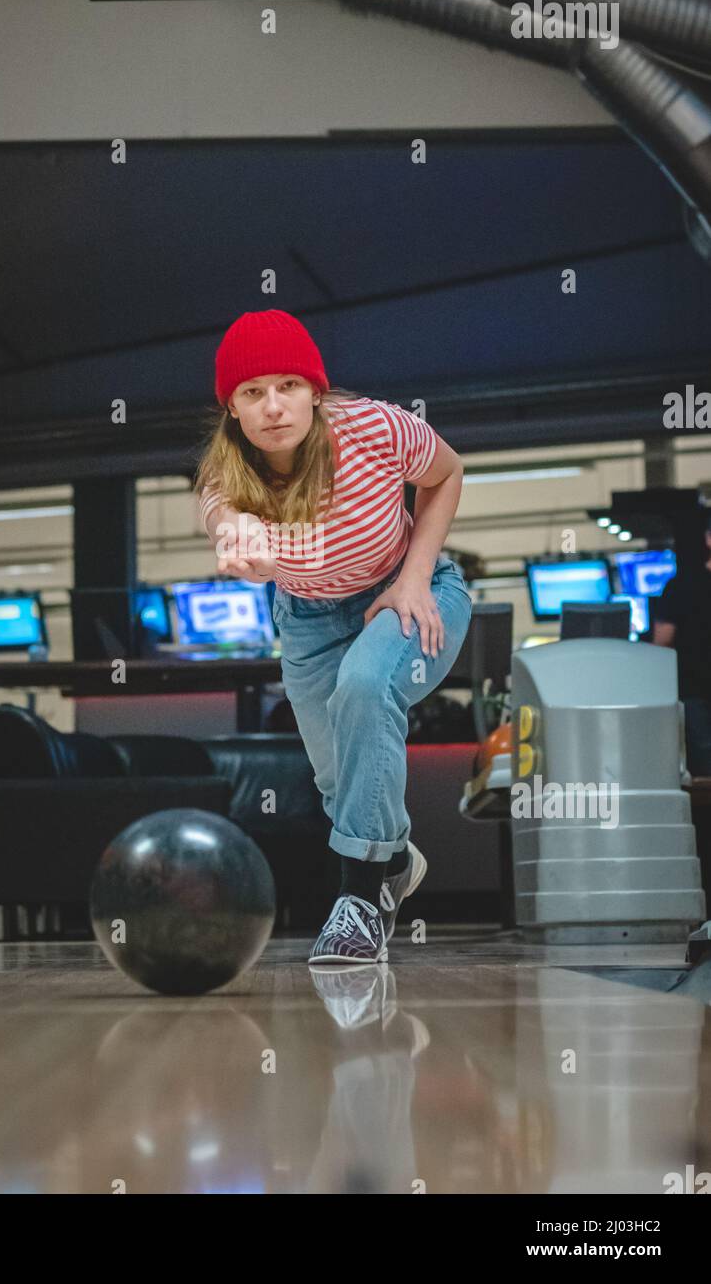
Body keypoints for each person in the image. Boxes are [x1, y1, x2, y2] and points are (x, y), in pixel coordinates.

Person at [195, 309, 472, 965]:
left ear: (315, 391)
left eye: (287, 385)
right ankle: (396, 860)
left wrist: (412, 578)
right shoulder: (227, 473)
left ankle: (358, 905)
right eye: (252, 392)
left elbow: (447, 473)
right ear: (232, 408)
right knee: (338, 779)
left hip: (411, 592)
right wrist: (233, 533)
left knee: (364, 688)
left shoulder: (374, 427)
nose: (272, 406)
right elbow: (220, 511)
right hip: (308, 618)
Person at [652, 510, 711, 778]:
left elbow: (663, 640)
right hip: (694, 691)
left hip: (693, 689)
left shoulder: (680, 586)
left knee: (703, 767)